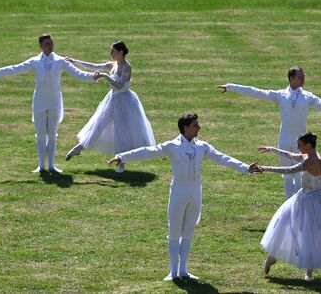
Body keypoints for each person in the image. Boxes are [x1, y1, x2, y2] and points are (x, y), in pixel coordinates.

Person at [107, 113, 262, 281]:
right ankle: (173, 271)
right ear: (185, 127)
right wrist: (123, 156)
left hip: (195, 192)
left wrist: (245, 167)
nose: (199, 128)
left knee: (188, 232)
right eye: (195, 125)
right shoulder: (172, 146)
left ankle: (183, 270)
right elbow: (148, 152)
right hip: (178, 192)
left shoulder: (202, 146)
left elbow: (222, 158)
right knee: (174, 231)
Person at [217, 67, 321, 199]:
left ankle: (298, 204)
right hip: (284, 138)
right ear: (291, 79)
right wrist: (231, 86)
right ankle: (288, 205)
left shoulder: (308, 96)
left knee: (300, 174)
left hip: (302, 142)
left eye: (304, 77)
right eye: (300, 77)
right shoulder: (280, 95)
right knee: (287, 175)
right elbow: (256, 91)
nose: (303, 79)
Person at [0, 34, 96, 173]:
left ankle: (52, 165)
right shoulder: (34, 61)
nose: (50, 46)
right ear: (40, 46)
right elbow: (14, 68)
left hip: (55, 101)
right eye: (47, 43)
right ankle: (41, 165)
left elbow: (78, 73)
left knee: (53, 133)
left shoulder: (61, 61)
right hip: (39, 102)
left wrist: (93, 76)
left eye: (51, 43)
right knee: (40, 134)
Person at [257, 132, 321, 282]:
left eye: (300, 145)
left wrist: (265, 168)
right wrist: (273, 149)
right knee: (286, 223)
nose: (298, 148)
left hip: (316, 201)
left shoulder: (313, 161)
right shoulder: (307, 155)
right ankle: (273, 256)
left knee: (312, 234)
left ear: (308, 146)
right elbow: (291, 156)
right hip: (303, 196)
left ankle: (309, 272)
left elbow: (289, 170)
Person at [64, 41, 155, 173]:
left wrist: (104, 76)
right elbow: (93, 66)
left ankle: (121, 162)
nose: (111, 53)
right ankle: (79, 148)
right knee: (98, 124)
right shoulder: (112, 65)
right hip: (112, 100)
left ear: (121, 52)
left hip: (125, 102)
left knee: (121, 132)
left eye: (113, 51)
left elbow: (119, 86)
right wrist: (74, 61)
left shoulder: (126, 67)